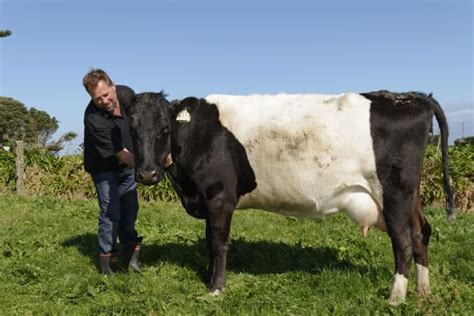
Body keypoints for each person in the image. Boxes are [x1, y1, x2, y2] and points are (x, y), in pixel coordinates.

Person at [82, 68, 142, 275]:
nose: (104, 101)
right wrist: (150, 167)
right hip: (104, 167)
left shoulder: (127, 95)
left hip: (127, 168)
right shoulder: (93, 118)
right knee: (111, 213)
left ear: (113, 86)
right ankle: (108, 264)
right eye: (97, 99)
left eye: (106, 94)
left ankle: (132, 256)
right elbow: (122, 155)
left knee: (130, 210)